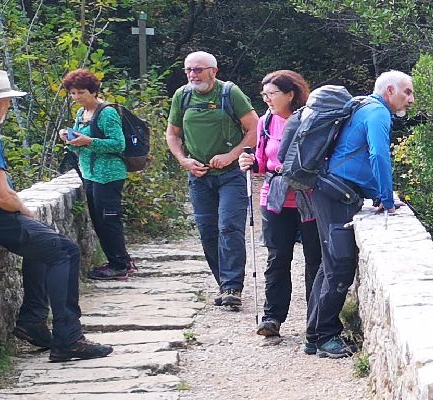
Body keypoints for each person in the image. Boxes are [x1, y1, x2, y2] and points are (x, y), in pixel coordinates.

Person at [0, 69, 114, 361]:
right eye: (8, 102)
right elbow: (1, 196)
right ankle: (69, 338)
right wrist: (26, 212)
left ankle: (33, 323)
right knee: (64, 250)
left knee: (42, 246)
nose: (8, 109)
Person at [305, 70, 412, 358]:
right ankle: (325, 337)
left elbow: (356, 156)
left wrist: (376, 193)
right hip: (337, 195)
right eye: (407, 92)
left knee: (330, 266)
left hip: (331, 191)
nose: (410, 99)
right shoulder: (378, 113)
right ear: (390, 90)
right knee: (340, 266)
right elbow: (378, 155)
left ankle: (313, 335)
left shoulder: (363, 106)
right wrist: (387, 199)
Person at [164, 51, 258, 309]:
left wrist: (231, 155)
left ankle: (232, 286)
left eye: (198, 69)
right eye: (189, 70)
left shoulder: (229, 93)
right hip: (199, 176)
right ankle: (223, 282)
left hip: (231, 175)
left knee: (229, 226)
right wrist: (183, 160)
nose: (192, 75)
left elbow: (254, 128)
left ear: (213, 71)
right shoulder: (182, 96)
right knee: (208, 232)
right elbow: (172, 134)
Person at [237, 70, 320, 337]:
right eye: (265, 94)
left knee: (315, 260)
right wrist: (248, 162)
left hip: (308, 197)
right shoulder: (265, 123)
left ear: (290, 94)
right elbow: (261, 162)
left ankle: (315, 319)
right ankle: (272, 317)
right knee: (277, 257)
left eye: (272, 94)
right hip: (275, 197)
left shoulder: (310, 120)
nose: (267, 99)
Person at [57, 69, 136, 281]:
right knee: (99, 220)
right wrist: (69, 138)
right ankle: (120, 260)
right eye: (72, 93)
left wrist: (88, 141)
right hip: (90, 173)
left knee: (109, 220)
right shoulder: (80, 114)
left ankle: (119, 265)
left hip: (109, 174)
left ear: (93, 91)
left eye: (80, 92)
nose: (76, 97)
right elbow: (78, 146)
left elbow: (118, 143)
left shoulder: (107, 112)